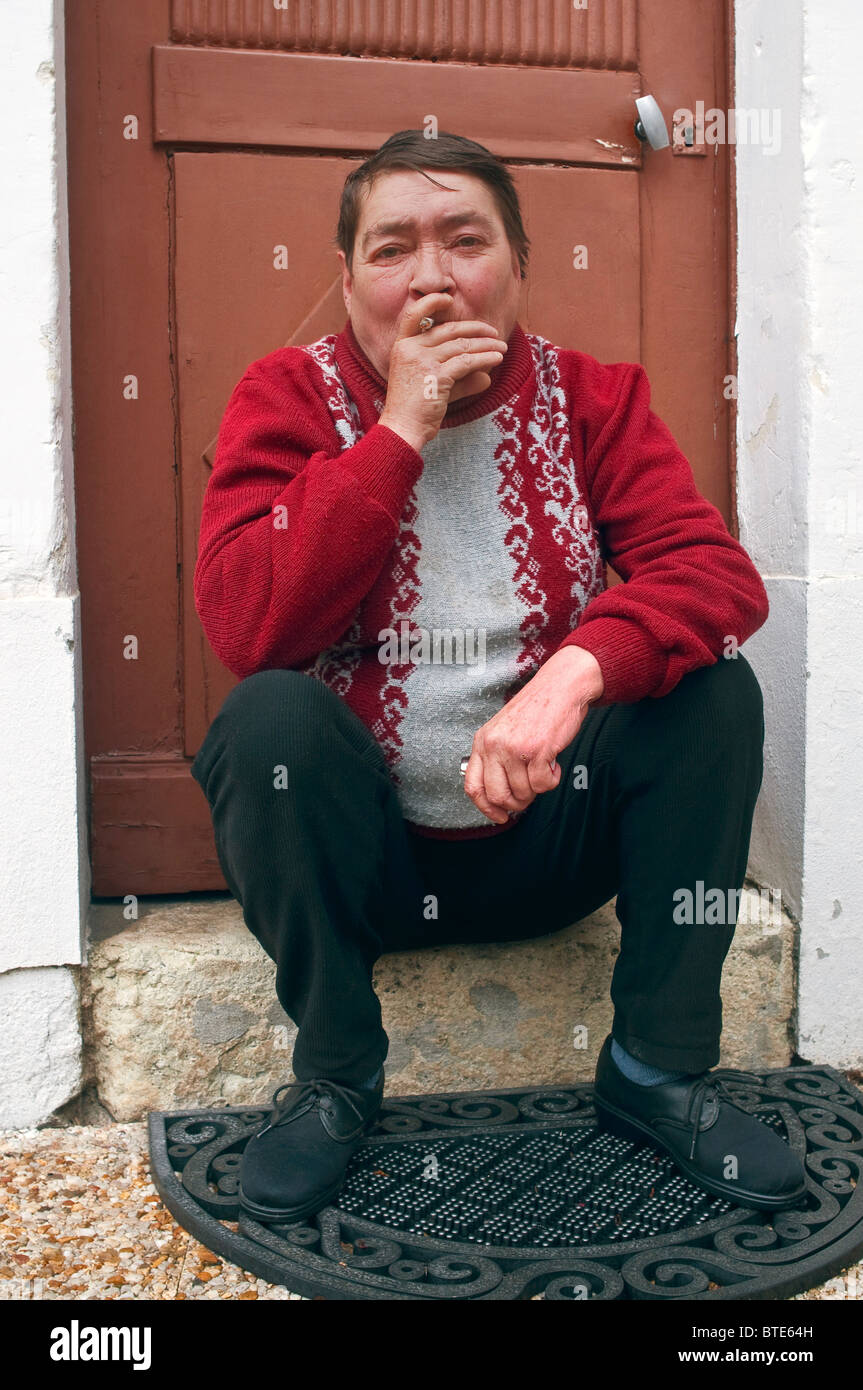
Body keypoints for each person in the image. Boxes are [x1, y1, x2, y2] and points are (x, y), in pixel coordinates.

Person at [190, 129, 806, 1225]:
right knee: (267, 719)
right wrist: (397, 430)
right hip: (370, 863)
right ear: (347, 282)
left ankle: (656, 1068)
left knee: (712, 688)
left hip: (545, 841)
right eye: (392, 250)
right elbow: (246, 620)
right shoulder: (287, 397)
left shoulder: (593, 400)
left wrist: (573, 673)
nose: (429, 276)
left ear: (517, 266)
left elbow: (709, 573)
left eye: (463, 241)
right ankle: (334, 1074)